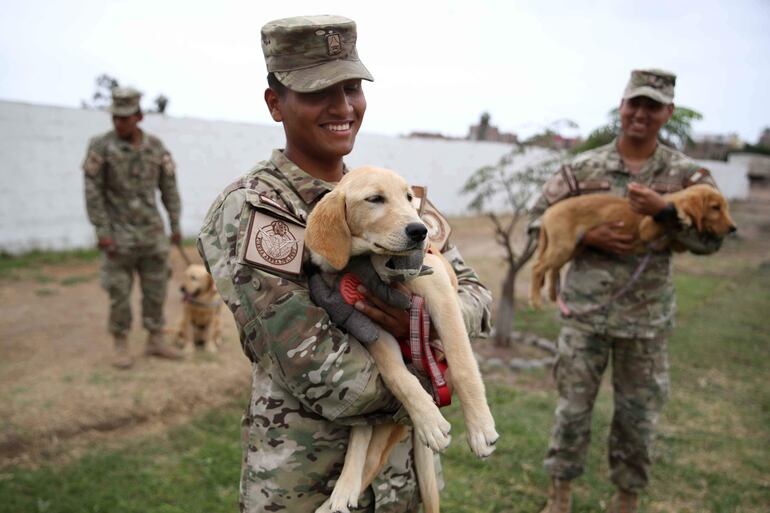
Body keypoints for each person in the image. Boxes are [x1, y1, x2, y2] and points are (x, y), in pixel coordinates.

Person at [197, 15, 492, 513]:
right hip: (309, 484)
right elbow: (323, 372)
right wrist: (437, 371)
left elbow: (475, 298)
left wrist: (418, 323)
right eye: (317, 91)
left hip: (403, 482)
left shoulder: (386, 195)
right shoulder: (256, 211)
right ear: (275, 103)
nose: (342, 106)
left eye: (352, 87)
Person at [529, 69, 725, 513]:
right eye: (633, 103)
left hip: (646, 320)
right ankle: (558, 498)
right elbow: (535, 223)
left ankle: (626, 500)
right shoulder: (581, 168)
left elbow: (713, 240)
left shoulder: (686, 175)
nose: (641, 113)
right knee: (572, 410)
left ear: (667, 113)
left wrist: (669, 212)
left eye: (652, 106)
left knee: (637, 418)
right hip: (584, 315)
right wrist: (585, 238)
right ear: (621, 106)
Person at [83, 87, 184, 369]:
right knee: (119, 293)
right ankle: (120, 344)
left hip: (152, 233)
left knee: (156, 289)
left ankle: (155, 339)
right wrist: (102, 231)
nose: (119, 123)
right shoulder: (100, 147)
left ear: (138, 116)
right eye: (115, 117)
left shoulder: (156, 147)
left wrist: (174, 224)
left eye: (125, 118)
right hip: (118, 235)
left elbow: (169, 189)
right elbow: (93, 193)